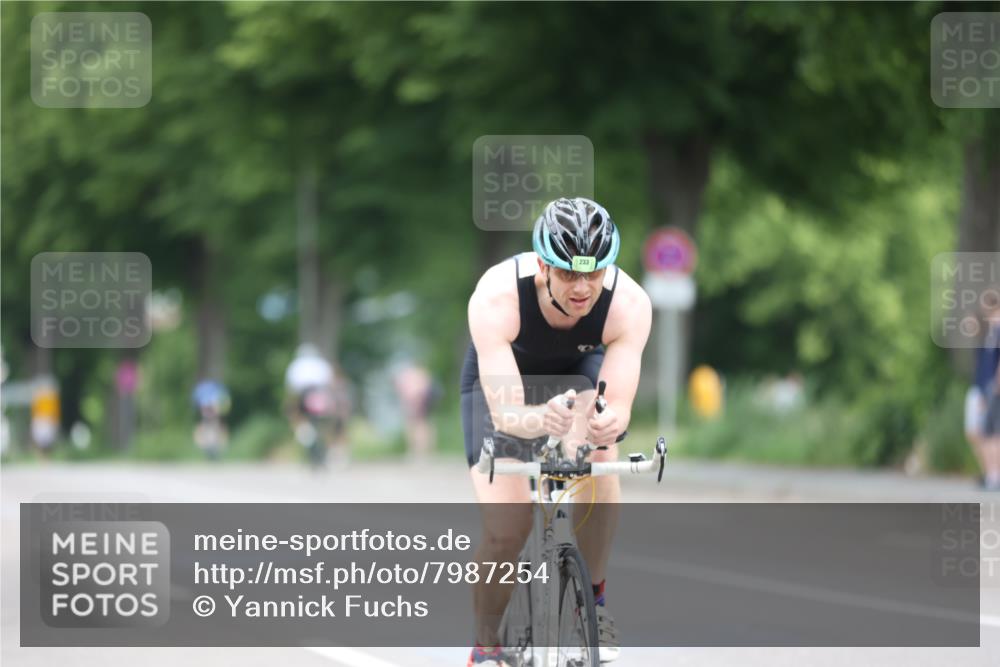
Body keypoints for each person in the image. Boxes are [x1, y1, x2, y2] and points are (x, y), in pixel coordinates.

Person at [462, 197, 652, 666]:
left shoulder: (628, 304)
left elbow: (620, 404)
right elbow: (507, 414)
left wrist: (612, 422)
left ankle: (596, 603)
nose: (584, 288)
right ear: (544, 265)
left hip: (577, 370)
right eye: (569, 274)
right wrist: (536, 418)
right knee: (507, 530)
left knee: (600, 452)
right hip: (508, 383)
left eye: (595, 273)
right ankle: (487, 645)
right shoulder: (496, 297)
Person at [394, 362, 440, 460]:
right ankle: (422, 451)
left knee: (419, 426)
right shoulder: (419, 374)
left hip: (418, 403)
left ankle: (420, 451)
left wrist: (415, 402)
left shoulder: (412, 376)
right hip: (418, 403)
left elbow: (416, 392)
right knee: (421, 425)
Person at [191, 378, 232, 460]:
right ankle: (211, 445)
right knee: (214, 426)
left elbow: (195, 400)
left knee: (211, 426)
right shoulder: (217, 387)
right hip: (212, 410)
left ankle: (208, 445)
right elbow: (225, 398)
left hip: (208, 410)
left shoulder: (201, 388)